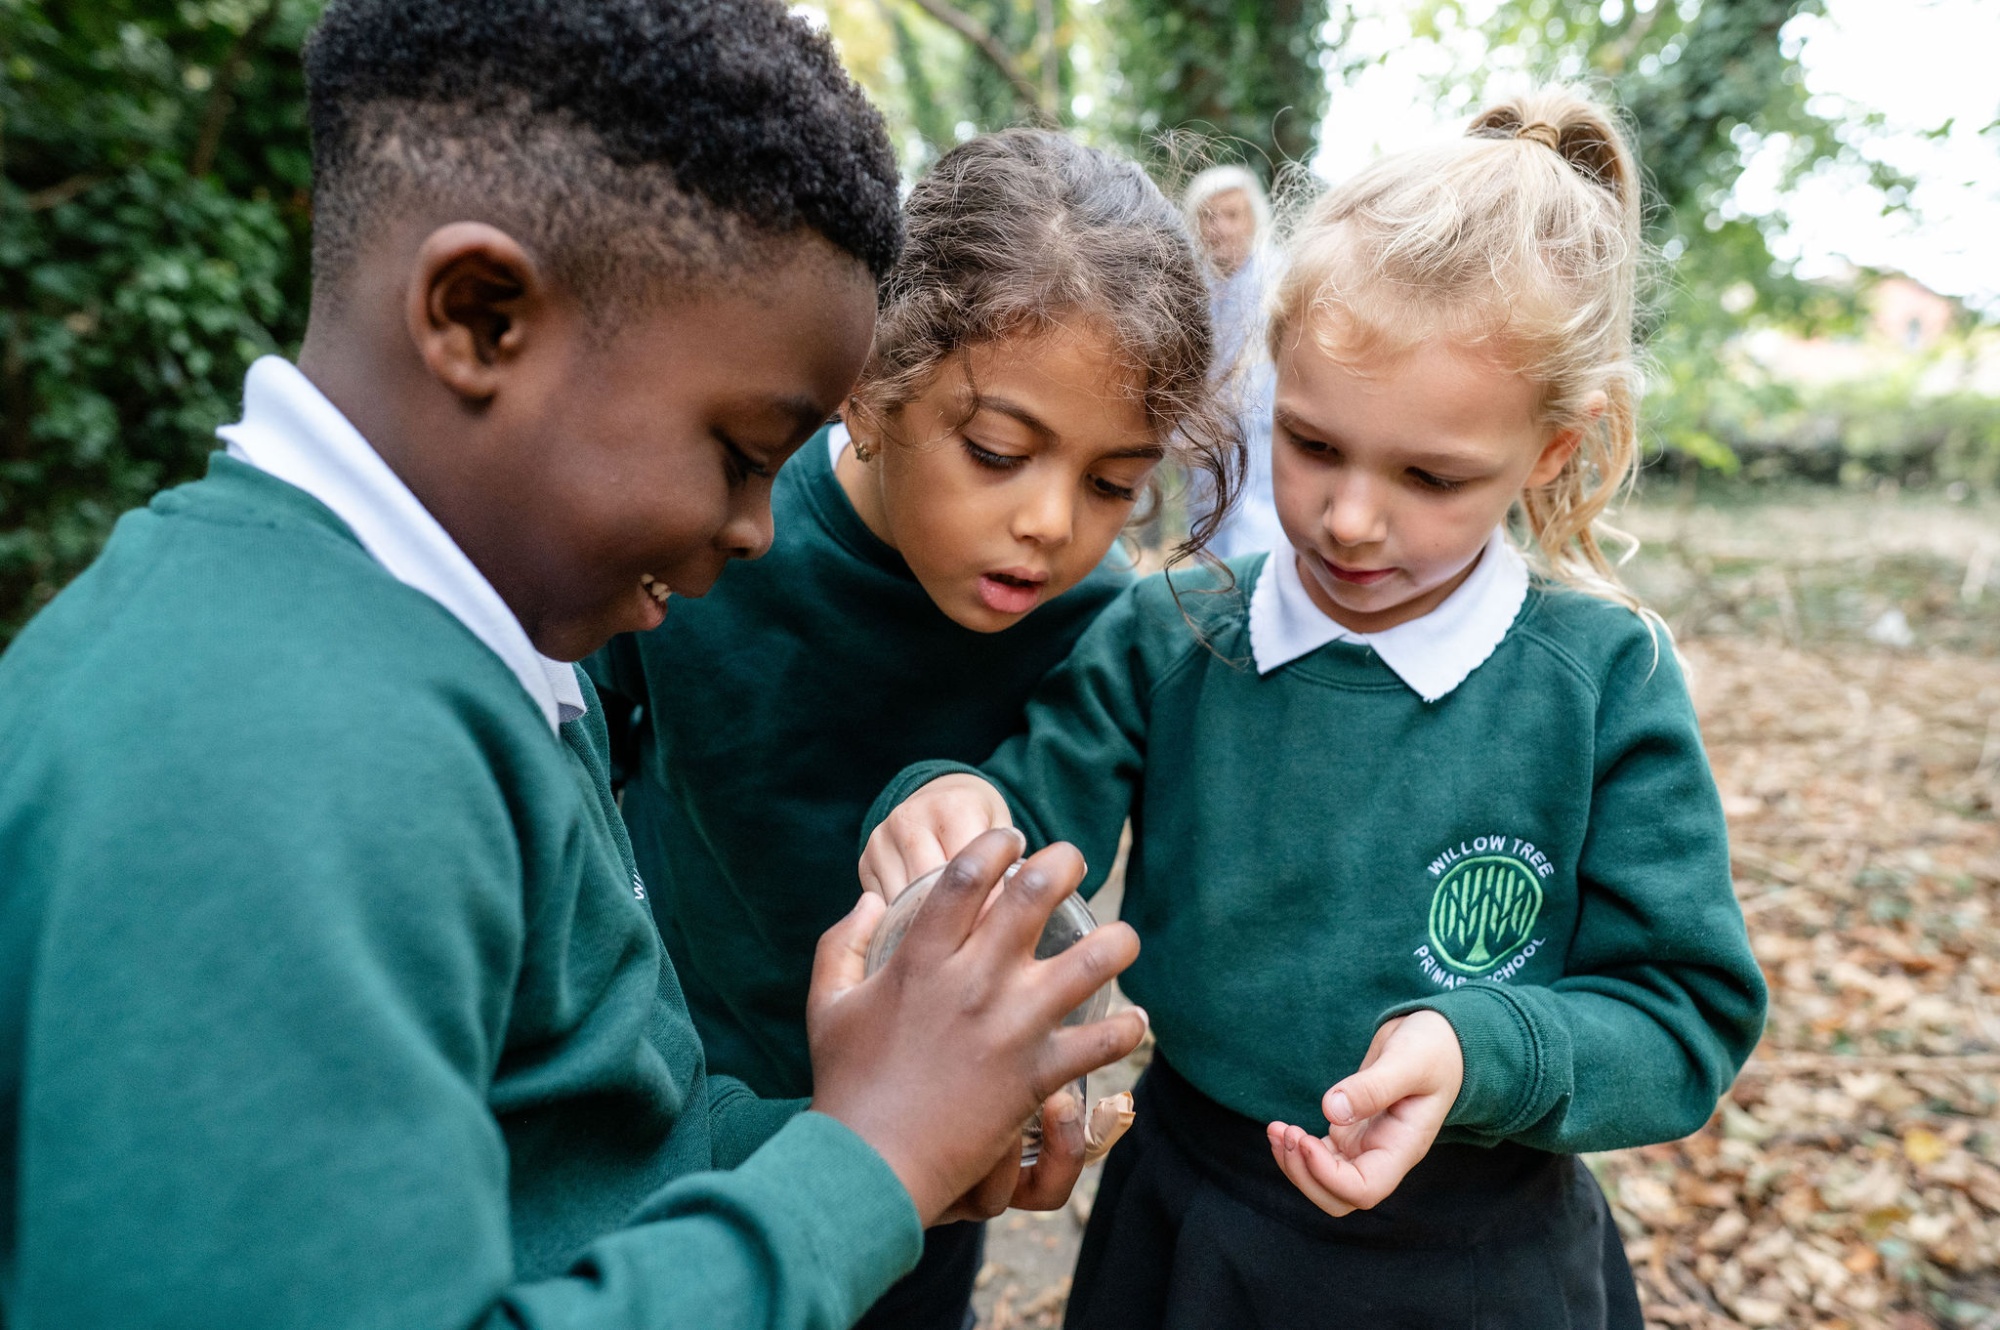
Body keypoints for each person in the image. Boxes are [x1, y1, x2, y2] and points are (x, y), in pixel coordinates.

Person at [0, 3, 1149, 1326]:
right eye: (740, 453)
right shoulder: (250, 756)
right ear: (480, 316)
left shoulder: (473, 665)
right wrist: (865, 1165)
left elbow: (586, 1159)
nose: (759, 529)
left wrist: (882, 1136)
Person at [859, 87, 1769, 1329]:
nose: (1347, 518)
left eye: (1428, 476)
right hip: (1189, 1226)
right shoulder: (1173, 632)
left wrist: (1477, 1051)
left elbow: (1681, 1014)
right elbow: (1019, 826)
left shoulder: (1603, 681)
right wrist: (946, 805)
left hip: (1482, 1262)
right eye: (1311, 444)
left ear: (1553, 450)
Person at [587, 127, 1237, 1330]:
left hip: (929, 1164)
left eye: (1111, 483)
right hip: (677, 1117)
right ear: (869, 381)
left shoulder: (1094, 629)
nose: (1051, 523)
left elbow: (1050, 878)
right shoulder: (711, 536)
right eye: (998, 452)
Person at [1182, 165, 1286, 559]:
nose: (1219, 228)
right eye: (1208, 217)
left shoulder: (1280, 280)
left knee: (1258, 556)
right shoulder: (1190, 285)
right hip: (1206, 457)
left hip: (1263, 450)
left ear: (1253, 220)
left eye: (1232, 215)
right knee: (1208, 553)